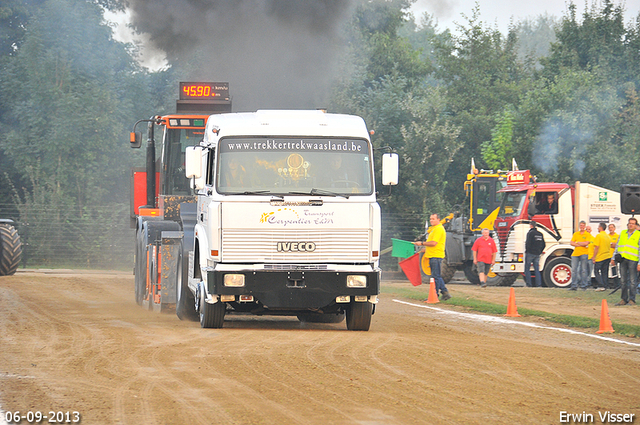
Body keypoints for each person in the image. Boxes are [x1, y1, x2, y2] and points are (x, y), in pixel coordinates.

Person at [413, 214, 450, 300]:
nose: (431, 220)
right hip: (432, 254)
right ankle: (444, 292)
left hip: (436, 255)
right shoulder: (434, 229)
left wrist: (421, 243)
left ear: (438, 219)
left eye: (433, 219)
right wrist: (425, 249)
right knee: (436, 275)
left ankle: (435, 294)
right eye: (430, 219)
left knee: (435, 276)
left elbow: (434, 243)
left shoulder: (438, 229)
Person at [610, 217, 640, 306]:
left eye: (633, 223)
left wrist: (639, 263)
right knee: (622, 280)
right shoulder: (623, 233)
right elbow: (617, 246)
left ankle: (632, 300)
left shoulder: (638, 234)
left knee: (632, 281)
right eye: (629, 223)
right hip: (623, 260)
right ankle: (623, 299)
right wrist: (613, 258)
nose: (631, 225)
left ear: (635, 225)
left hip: (633, 260)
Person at [570, 220, 593, 290]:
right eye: (580, 225)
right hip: (575, 254)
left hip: (584, 253)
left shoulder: (587, 234)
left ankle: (584, 285)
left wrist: (577, 242)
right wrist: (581, 243)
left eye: (583, 225)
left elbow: (586, 243)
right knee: (574, 270)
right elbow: (571, 243)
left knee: (584, 270)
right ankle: (574, 285)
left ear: (585, 226)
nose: (582, 227)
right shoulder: (576, 234)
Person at [592, 222, 612, 292]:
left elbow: (597, 247)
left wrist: (593, 256)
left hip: (600, 257)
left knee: (596, 271)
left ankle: (601, 285)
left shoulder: (599, 236)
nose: (597, 228)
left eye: (598, 227)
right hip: (607, 256)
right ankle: (605, 285)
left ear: (600, 228)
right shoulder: (608, 236)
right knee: (605, 272)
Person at [524, 221, 545, 287]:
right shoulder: (540, 234)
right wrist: (540, 251)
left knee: (527, 269)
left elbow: (528, 243)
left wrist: (527, 251)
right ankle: (538, 284)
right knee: (537, 270)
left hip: (530, 253)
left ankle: (529, 284)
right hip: (537, 254)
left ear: (531, 225)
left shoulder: (530, 233)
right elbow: (544, 244)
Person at [608, 223, 620, 289]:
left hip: (614, 255)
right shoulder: (607, 236)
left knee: (615, 270)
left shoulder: (617, 236)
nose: (610, 229)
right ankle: (610, 284)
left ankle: (616, 284)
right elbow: (606, 245)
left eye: (612, 227)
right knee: (607, 270)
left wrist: (611, 244)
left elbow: (617, 245)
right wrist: (611, 244)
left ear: (614, 228)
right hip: (607, 255)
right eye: (609, 227)